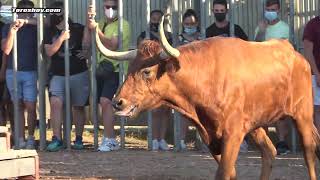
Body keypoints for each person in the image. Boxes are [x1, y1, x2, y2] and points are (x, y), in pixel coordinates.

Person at [85, 0, 131, 152]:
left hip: (116, 70)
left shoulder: (123, 24)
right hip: (100, 69)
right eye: (107, 7)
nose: (110, 10)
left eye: (114, 7)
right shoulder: (100, 23)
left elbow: (113, 45)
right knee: (101, 104)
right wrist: (89, 22)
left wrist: (96, 30)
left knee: (106, 102)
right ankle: (108, 137)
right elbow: (86, 44)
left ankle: (111, 139)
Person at [44, 1, 90, 152]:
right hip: (57, 74)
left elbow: (88, 46)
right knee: (56, 103)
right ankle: (57, 138)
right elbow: (49, 51)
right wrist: (62, 38)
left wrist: (87, 52)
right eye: (54, 11)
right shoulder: (48, 31)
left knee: (78, 106)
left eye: (60, 11)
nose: (58, 14)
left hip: (79, 72)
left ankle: (78, 138)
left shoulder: (78, 28)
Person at [206, 0, 249, 152]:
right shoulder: (208, 31)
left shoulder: (236, 29)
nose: (219, 13)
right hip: (216, 78)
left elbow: (247, 48)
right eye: (216, 10)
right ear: (212, 11)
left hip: (236, 76)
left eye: (221, 10)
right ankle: (221, 141)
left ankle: (240, 140)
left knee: (238, 110)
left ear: (227, 10)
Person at [254, 0, 290, 155]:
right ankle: (265, 142)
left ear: (278, 10)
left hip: (279, 74)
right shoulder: (260, 27)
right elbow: (253, 48)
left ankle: (282, 142)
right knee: (262, 110)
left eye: (273, 9)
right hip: (261, 74)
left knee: (280, 111)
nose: (270, 12)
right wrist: (261, 31)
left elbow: (286, 49)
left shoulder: (285, 28)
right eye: (268, 9)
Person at [1, 0, 38, 149]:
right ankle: (20, 139)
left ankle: (30, 138)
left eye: (28, 10)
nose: (24, 12)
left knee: (30, 106)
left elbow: (46, 22)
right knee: (17, 106)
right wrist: (12, 31)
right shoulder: (7, 26)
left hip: (31, 71)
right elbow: (6, 49)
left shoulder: (36, 27)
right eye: (21, 9)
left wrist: (27, 21)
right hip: (13, 72)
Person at [137, 9, 173, 151]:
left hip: (165, 74)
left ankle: (162, 139)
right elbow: (141, 52)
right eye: (154, 19)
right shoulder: (143, 35)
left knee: (165, 109)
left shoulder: (169, 36)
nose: (156, 21)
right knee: (154, 109)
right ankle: (153, 139)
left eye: (159, 19)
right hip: (150, 75)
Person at [178, 9, 202, 150]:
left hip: (201, 78)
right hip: (185, 78)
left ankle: (204, 141)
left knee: (203, 112)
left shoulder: (202, 38)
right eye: (187, 23)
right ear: (182, 23)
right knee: (184, 112)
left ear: (197, 23)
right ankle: (181, 140)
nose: (190, 25)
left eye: (192, 23)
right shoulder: (179, 38)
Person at [303, 16, 320, 136]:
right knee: (318, 109)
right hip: (317, 74)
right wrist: (317, 73)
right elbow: (308, 51)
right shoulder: (313, 25)